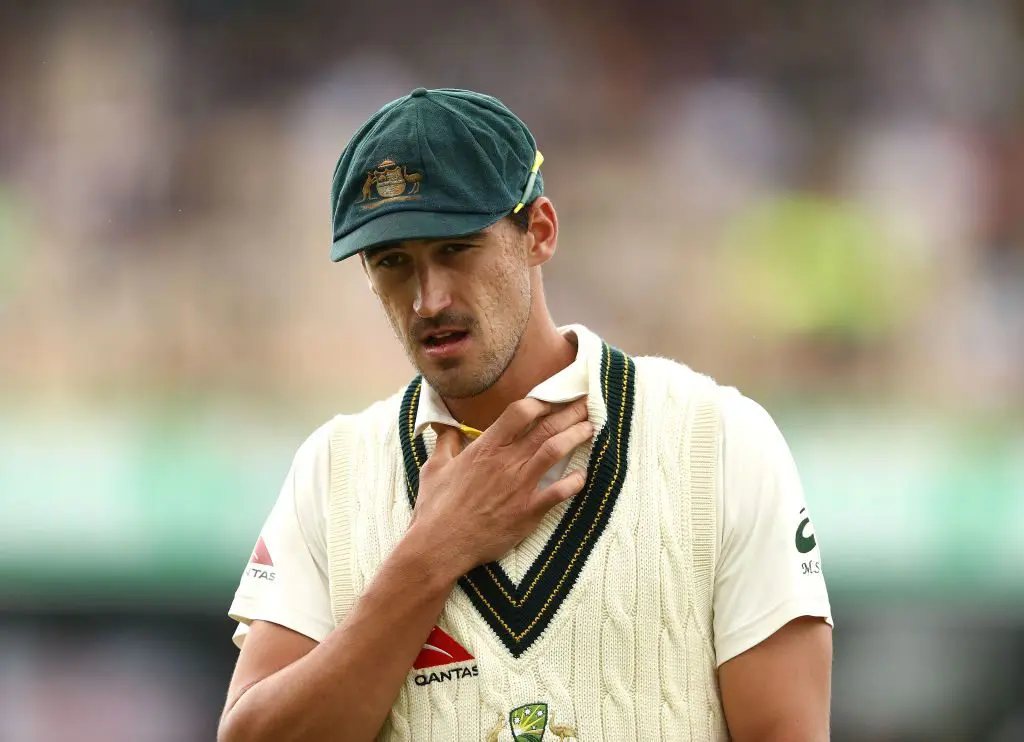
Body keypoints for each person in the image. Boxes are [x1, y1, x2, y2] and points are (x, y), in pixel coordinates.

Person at [218, 88, 833, 742]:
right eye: (393, 262)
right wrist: (429, 555)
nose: (428, 300)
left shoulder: (717, 440)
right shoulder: (333, 471)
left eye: (456, 248)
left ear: (539, 231)